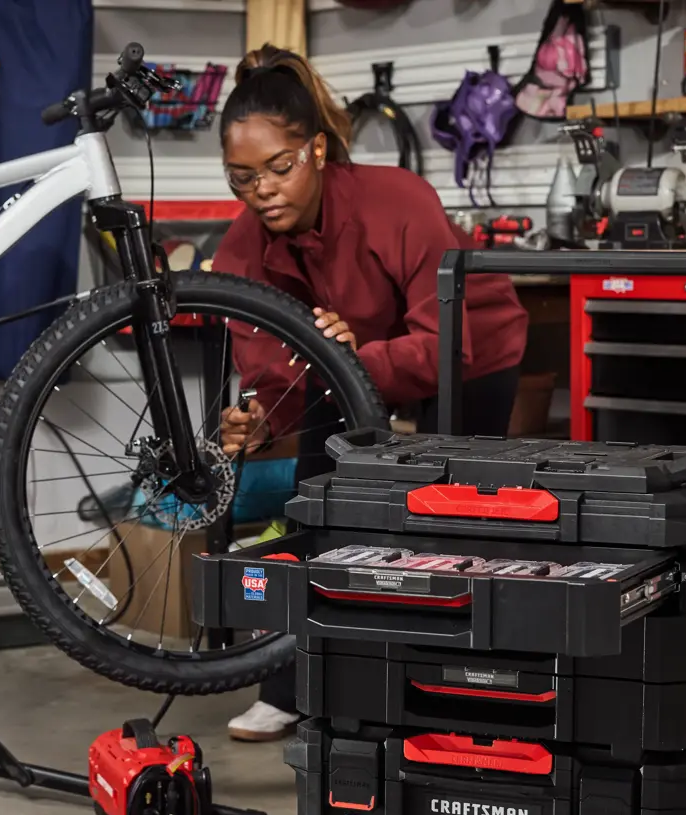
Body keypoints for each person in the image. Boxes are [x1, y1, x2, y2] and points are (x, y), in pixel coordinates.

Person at [211, 45, 529, 742]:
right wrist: (259, 419)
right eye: (242, 178)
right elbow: (269, 370)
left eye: (279, 167)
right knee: (315, 507)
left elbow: (447, 348)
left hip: (466, 347)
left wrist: (356, 356)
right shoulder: (241, 245)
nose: (261, 190)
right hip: (340, 361)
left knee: (457, 516)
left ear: (319, 150)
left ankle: (450, 684)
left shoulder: (398, 202)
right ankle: (291, 683)